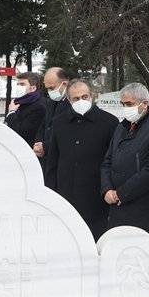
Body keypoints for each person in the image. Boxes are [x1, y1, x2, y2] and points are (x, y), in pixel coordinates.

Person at [100, 82, 149, 241]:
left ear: (144, 103)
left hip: (144, 208)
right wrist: (107, 189)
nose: (125, 108)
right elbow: (107, 161)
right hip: (117, 207)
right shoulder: (122, 127)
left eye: (129, 104)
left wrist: (121, 193)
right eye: (123, 104)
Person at [50, 79, 118, 235]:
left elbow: (113, 161)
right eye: (76, 98)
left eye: (84, 96)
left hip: (97, 197)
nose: (81, 101)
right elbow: (53, 161)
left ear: (92, 96)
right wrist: (51, 193)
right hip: (66, 195)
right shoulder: (59, 123)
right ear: (68, 100)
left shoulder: (109, 122)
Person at [34, 67, 72, 188]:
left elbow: (69, 134)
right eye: (47, 89)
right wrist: (38, 143)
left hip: (62, 164)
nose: (50, 92)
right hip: (47, 161)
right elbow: (44, 125)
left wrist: (46, 146)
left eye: (52, 88)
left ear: (64, 84)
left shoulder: (73, 104)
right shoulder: (51, 102)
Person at [5, 72, 46, 146]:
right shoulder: (20, 102)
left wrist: (11, 112)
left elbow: (21, 132)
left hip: (29, 150)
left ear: (33, 88)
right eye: (18, 84)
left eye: (22, 84)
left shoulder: (39, 106)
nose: (19, 86)